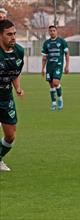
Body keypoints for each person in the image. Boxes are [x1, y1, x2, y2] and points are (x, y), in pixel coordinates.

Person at [0, 19, 25, 171]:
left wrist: (18, 88)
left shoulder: (19, 51)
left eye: (15, 34)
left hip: (6, 98)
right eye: (9, 34)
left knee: (10, 136)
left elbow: (15, 73)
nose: (13, 37)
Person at [41, 25, 69, 111]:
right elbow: (44, 57)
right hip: (49, 66)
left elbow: (67, 54)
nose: (52, 32)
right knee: (51, 85)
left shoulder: (62, 41)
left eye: (54, 30)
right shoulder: (46, 43)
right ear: (49, 32)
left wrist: (67, 66)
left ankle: (60, 98)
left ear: (56, 31)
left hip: (58, 65)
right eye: (50, 31)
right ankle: (53, 103)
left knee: (56, 83)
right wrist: (42, 68)